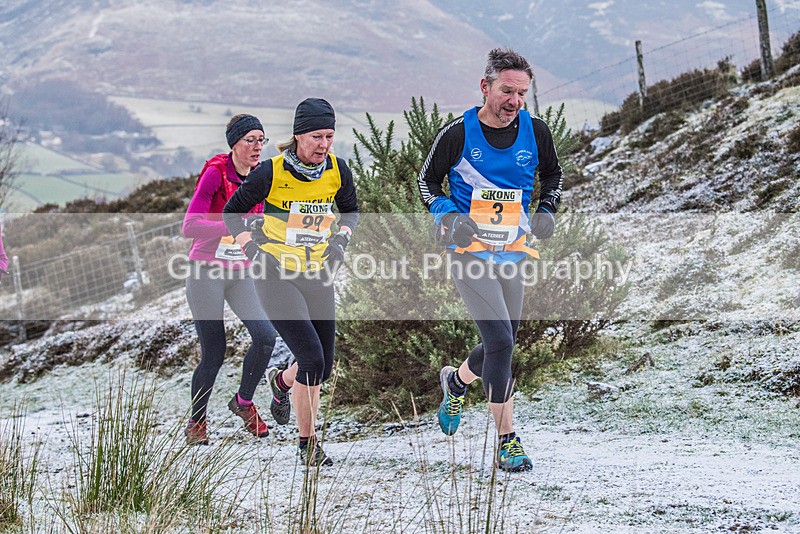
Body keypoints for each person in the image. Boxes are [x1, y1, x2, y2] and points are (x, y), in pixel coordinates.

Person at [417, 48, 563, 472]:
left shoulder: (535, 131)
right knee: (500, 342)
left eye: (521, 93)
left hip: (513, 252)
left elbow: (553, 175)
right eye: (506, 91)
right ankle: (507, 440)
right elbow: (427, 182)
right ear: (485, 87)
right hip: (470, 253)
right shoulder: (457, 133)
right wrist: (449, 217)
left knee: (503, 341)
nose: (514, 101)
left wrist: (547, 209)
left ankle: (456, 381)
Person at [223, 98, 359, 467]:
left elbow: (351, 211)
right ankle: (308, 444)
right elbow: (232, 213)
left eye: (329, 135)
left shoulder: (338, 170)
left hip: (317, 273)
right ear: (298, 135)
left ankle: (282, 382)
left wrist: (341, 239)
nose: (324, 144)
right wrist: (252, 250)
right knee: (311, 359)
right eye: (316, 136)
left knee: (323, 367)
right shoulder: (271, 172)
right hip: (276, 275)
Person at [182, 114, 277, 445]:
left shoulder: (261, 177)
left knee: (266, 337)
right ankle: (197, 422)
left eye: (261, 140)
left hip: (240, 272)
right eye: (250, 140)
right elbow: (189, 226)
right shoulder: (216, 174)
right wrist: (234, 226)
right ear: (234, 144)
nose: (257, 146)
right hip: (206, 272)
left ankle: (243, 402)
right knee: (214, 352)